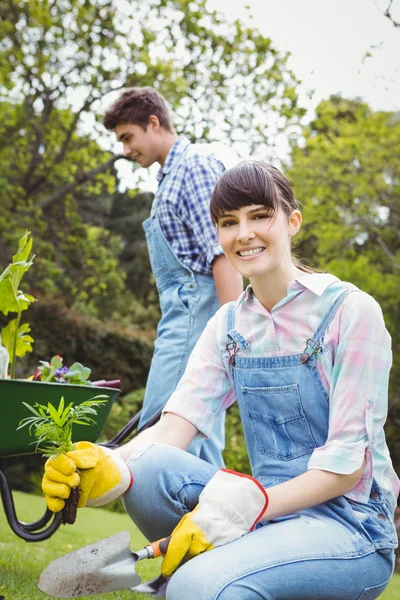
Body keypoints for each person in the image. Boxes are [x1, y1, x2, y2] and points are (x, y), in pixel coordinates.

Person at [42, 162, 399, 600]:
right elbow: (174, 427)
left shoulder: (350, 312)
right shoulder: (228, 325)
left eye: (259, 215)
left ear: (293, 220)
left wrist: (251, 504)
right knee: (148, 467)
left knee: (196, 586)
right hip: (269, 516)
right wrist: (108, 464)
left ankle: (202, 581)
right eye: (229, 223)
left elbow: (346, 468)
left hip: (352, 527)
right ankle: (217, 577)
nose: (244, 233)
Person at [102, 87, 243, 469]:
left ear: (153, 122)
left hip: (197, 314)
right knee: (201, 432)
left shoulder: (193, 167)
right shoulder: (168, 176)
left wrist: (234, 331)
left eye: (128, 137)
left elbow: (222, 252)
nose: (127, 150)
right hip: (182, 313)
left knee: (162, 426)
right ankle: (211, 527)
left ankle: (171, 523)